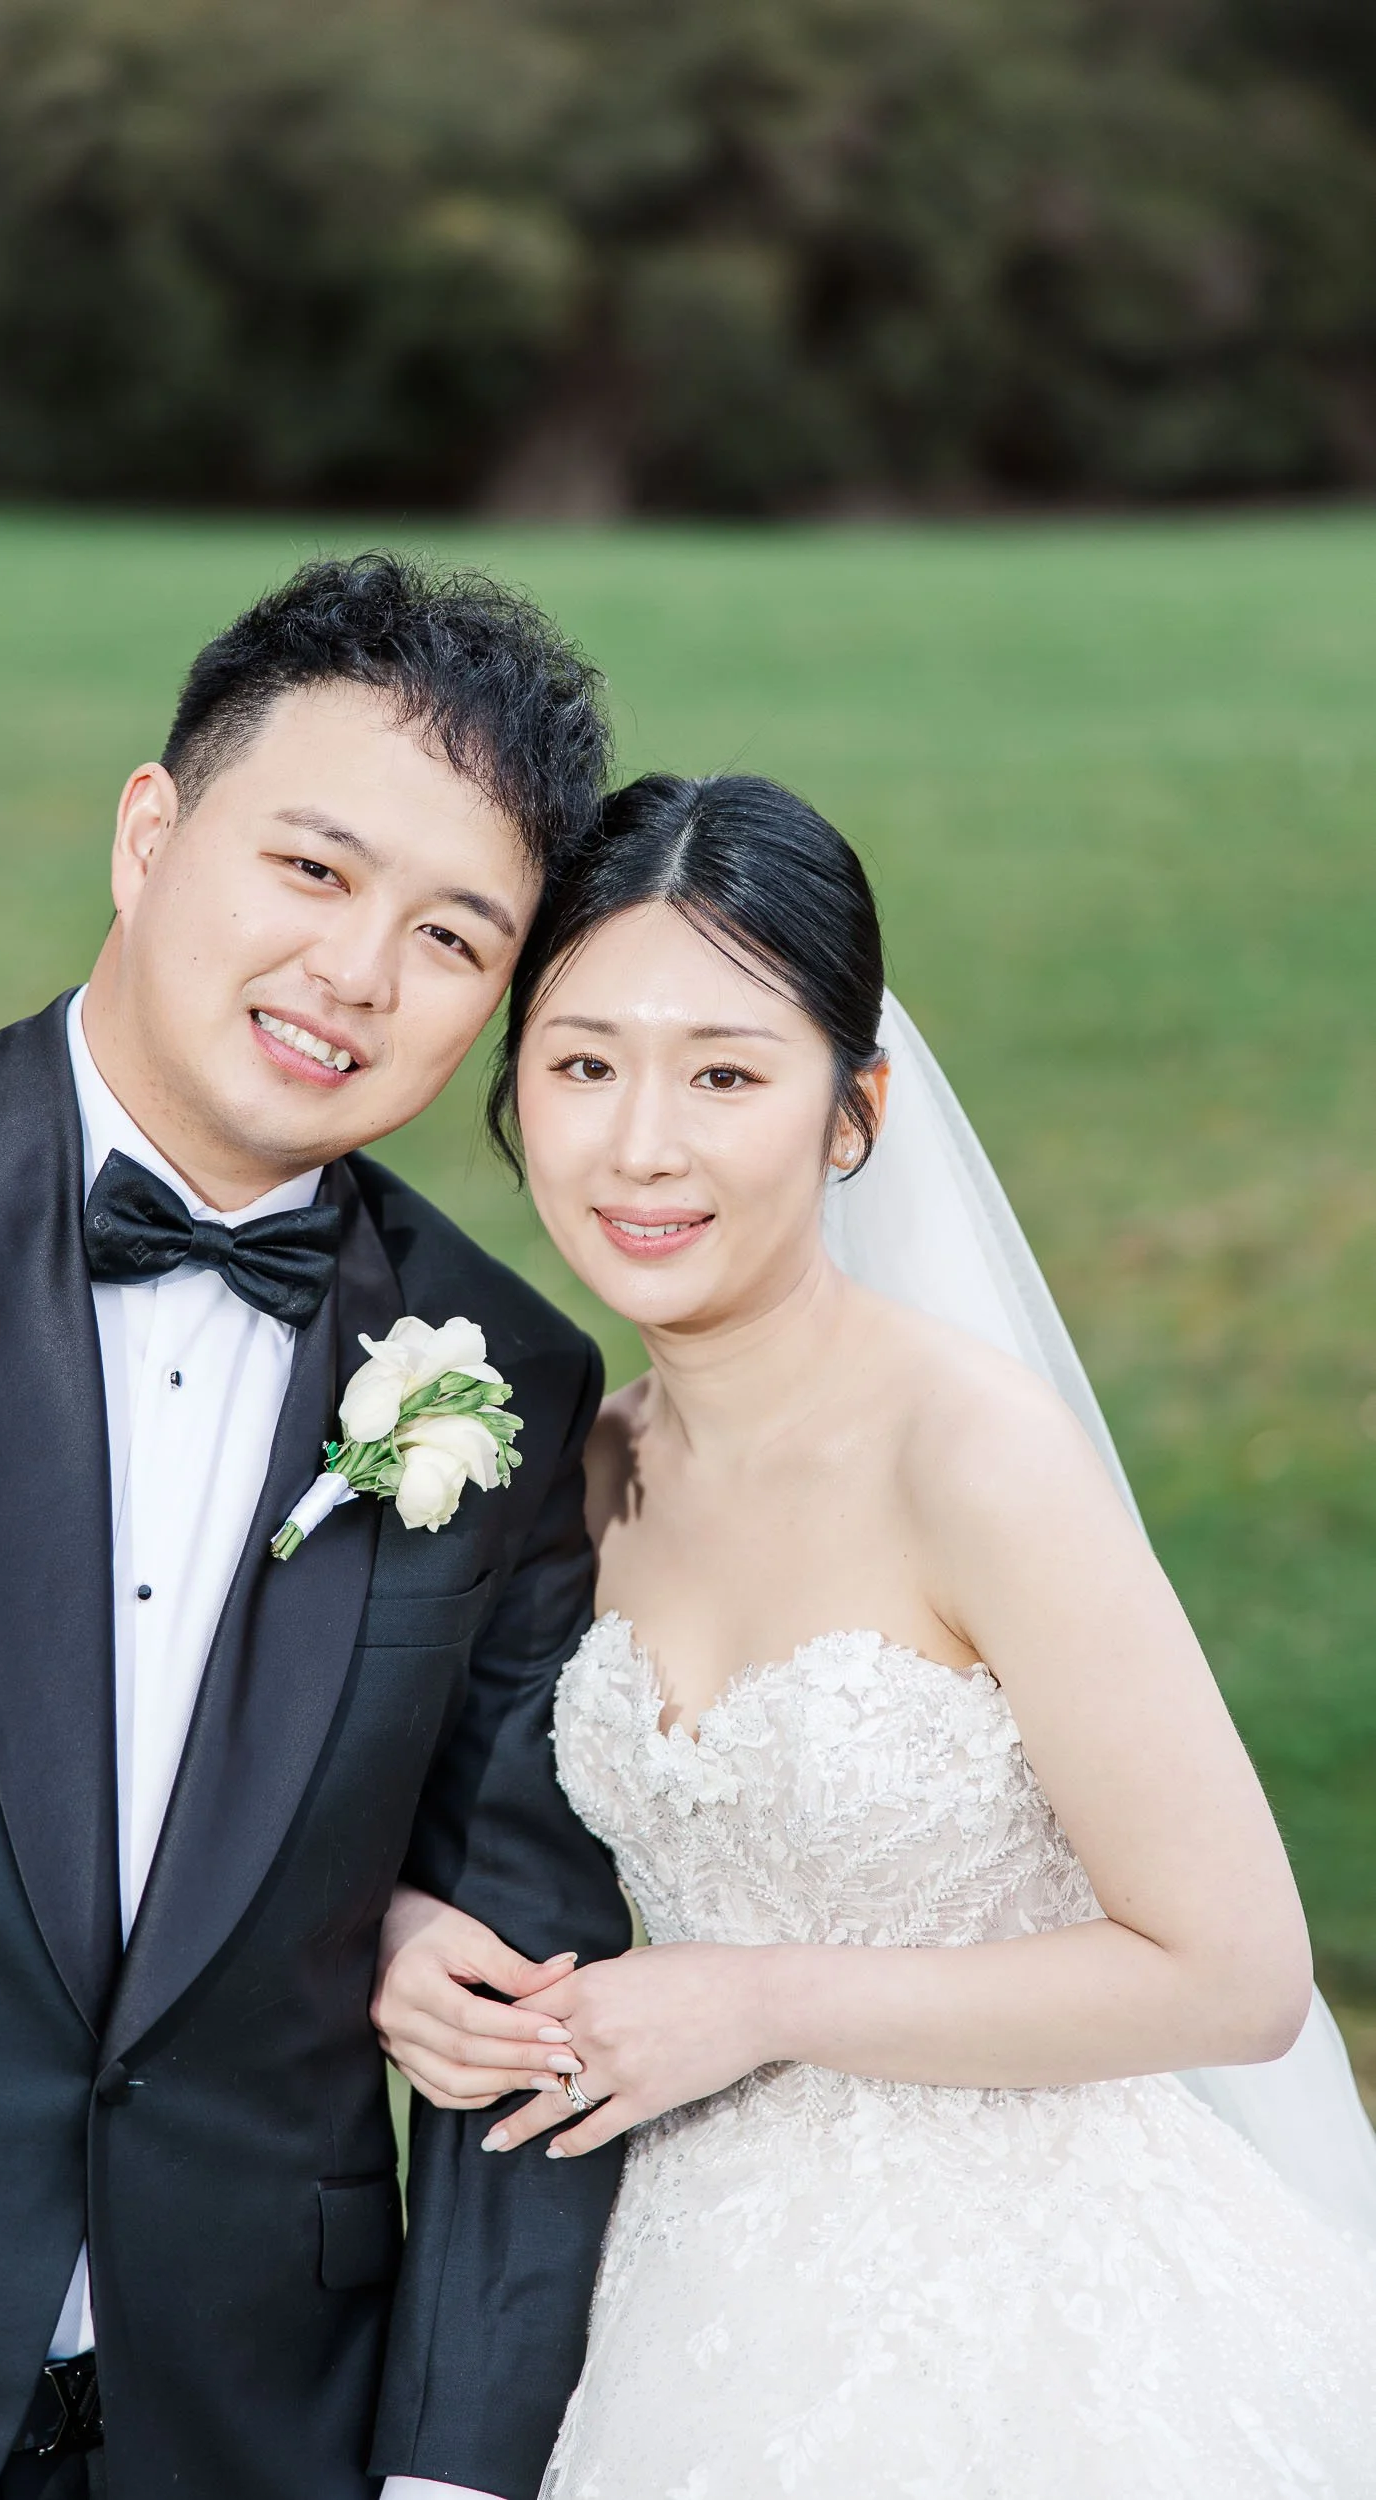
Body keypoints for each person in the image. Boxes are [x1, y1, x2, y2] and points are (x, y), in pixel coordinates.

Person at [0, 555, 633, 2500]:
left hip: (249, 2425)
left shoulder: (508, 1378)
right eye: (310, 868)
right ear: (149, 834)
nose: (356, 973)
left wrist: (452, 2472)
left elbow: (527, 1989)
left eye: (450, 935)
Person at [372, 770, 1376, 2496]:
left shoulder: (969, 1457)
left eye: (725, 1075)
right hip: (694, 2296)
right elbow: (461, 1828)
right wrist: (398, 1941)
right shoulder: (575, 1474)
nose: (641, 1146)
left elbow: (1232, 1974)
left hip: (1034, 2316)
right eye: (584, 1066)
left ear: (854, 1113)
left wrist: (760, 1998)